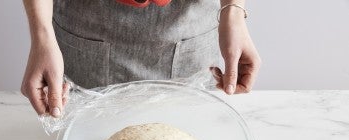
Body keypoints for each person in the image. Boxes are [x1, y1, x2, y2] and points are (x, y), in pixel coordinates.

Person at [21, 0, 261, 117]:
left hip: (190, 23)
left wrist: (233, 10)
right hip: (88, 21)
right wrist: (41, 34)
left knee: (191, 132)